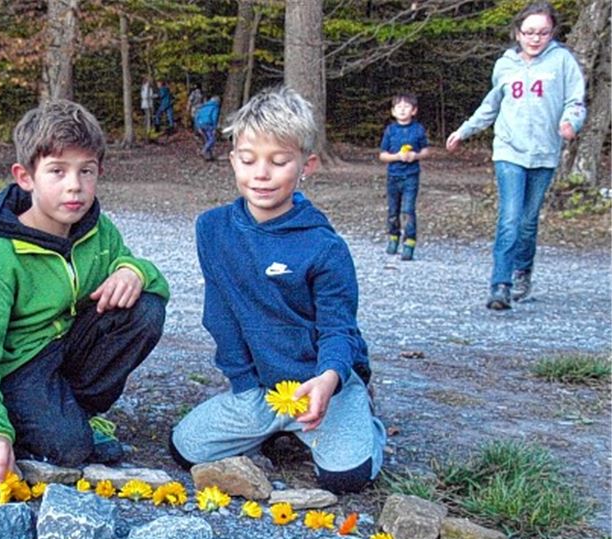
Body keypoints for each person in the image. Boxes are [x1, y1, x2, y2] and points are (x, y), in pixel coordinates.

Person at [171, 86, 386, 494]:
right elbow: (219, 312)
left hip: (320, 382)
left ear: (308, 165)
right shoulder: (212, 229)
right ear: (233, 159)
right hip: (263, 389)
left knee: (346, 478)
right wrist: (245, 385)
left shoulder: (325, 246)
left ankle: (362, 413)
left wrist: (329, 379)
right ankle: (274, 429)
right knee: (186, 447)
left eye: (279, 161)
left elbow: (339, 329)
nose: (261, 174)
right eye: (249, 160)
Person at [0, 99, 170, 485]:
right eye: (57, 171)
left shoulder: (97, 230)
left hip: (68, 352)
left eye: (86, 171)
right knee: (70, 451)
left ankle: (80, 410)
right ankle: (40, 421)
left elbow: (152, 280)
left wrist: (133, 271)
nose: (75, 186)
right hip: (20, 369)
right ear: (25, 177)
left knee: (145, 308)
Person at [446, 1, 585, 310]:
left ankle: (523, 271)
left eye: (543, 32)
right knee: (509, 218)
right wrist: (464, 130)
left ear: (552, 33)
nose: (535, 38)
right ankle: (500, 285)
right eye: (529, 32)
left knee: (528, 221)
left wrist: (569, 122)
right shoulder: (505, 65)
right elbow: (490, 106)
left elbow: (576, 100)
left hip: (545, 153)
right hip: (509, 151)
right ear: (518, 33)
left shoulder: (562, 62)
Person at [378, 92, 431, 261]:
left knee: (408, 210)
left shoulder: (418, 130)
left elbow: (426, 150)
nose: (402, 110)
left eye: (406, 107)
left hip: (411, 176)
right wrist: (397, 157)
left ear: (414, 111)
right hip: (393, 176)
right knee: (393, 210)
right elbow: (382, 155)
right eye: (398, 107)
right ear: (393, 111)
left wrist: (414, 156)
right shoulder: (390, 130)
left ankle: (409, 242)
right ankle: (393, 237)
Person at [195, 95, 221, 161]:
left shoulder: (203, 106)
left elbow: (197, 116)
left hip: (200, 124)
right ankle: (204, 151)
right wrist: (214, 127)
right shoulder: (215, 107)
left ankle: (209, 156)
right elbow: (214, 117)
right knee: (212, 139)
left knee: (207, 140)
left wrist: (197, 126)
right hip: (208, 124)